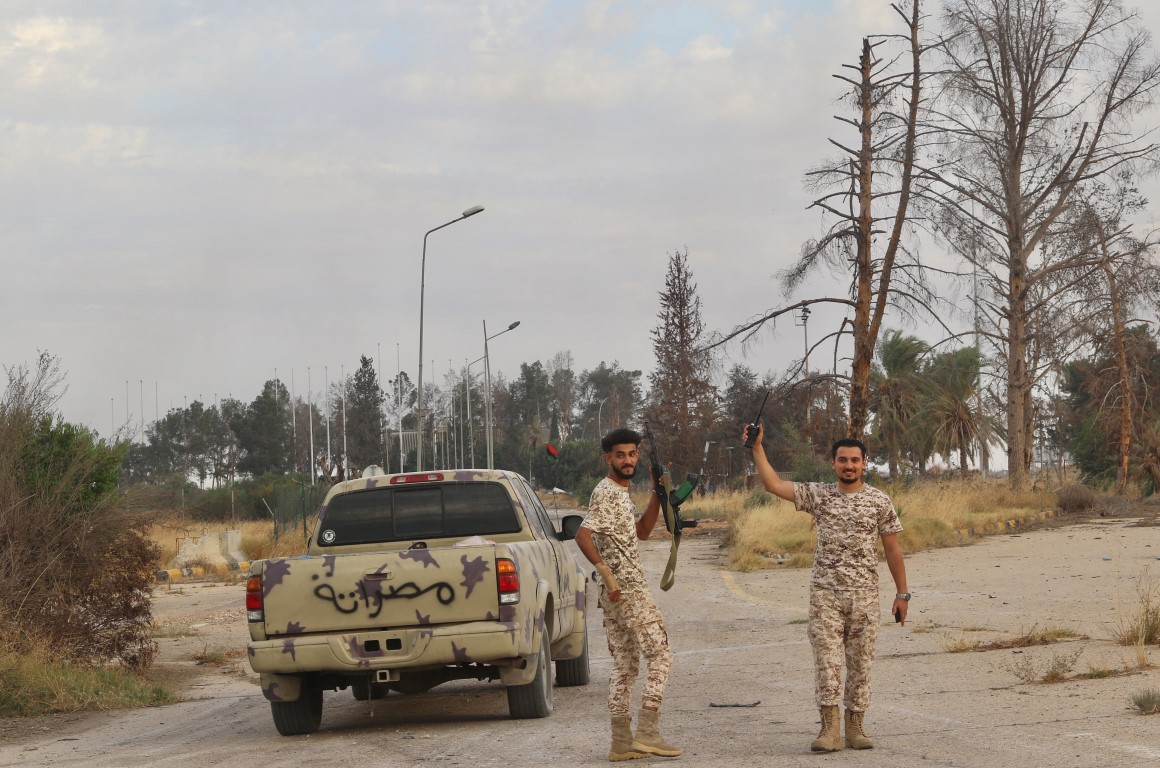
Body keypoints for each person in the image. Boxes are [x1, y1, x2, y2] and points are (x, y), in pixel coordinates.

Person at [744, 423, 909, 753]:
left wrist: (902, 594)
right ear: (833, 464)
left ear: (865, 464)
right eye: (843, 460)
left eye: (855, 460)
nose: (849, 465)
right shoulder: (819, 495)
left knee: (861, 664)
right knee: (828, 662)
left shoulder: (879, 500)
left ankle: (855, 727)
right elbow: (773, 484)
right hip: (825, 595)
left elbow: (892, 549)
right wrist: (757, 448)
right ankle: (829, 729)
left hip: (865, 595)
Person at [575, 427, 682, 762]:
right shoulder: (607, 492)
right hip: (627, 590)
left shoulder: (620, 494)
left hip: (615, 594)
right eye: (619, 455)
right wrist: (605, 572)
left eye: (632, 454)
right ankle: (648, 732)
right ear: (608, 458)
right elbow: (582, 534)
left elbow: (642, 532)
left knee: (625, 665)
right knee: (661, 656)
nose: (627, 460)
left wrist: (657, 493)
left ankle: (621, 742)